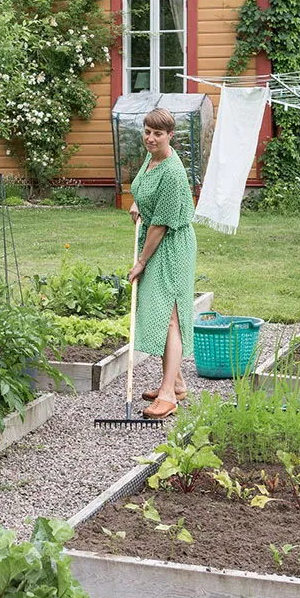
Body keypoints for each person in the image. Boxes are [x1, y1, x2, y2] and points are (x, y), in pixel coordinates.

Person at [128, 107, 197, 420]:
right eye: (147, 131)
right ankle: (177, 383)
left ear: (171, 136)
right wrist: (137, 203)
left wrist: (141, 262)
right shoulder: (151, 157)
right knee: (158, 312)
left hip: (171, 247)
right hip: (157, 240)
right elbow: (144, 188)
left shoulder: (172, 171)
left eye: (158, 133)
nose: (150, 138)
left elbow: (161, 226)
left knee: (169, 316)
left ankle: (168, 395)